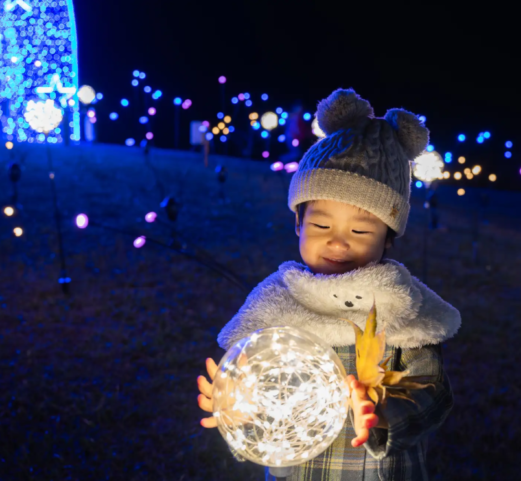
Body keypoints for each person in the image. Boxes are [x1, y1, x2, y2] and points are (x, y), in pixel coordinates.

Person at [197, 89, 461, 480]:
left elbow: (434, 394)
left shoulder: (401, 309)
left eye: (360, 229)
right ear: (298, 224)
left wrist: (383, 416)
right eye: (321, 225)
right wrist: (237, 408)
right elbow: (252, 385)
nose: (338, 242)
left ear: (389, 238)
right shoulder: (277, 303)